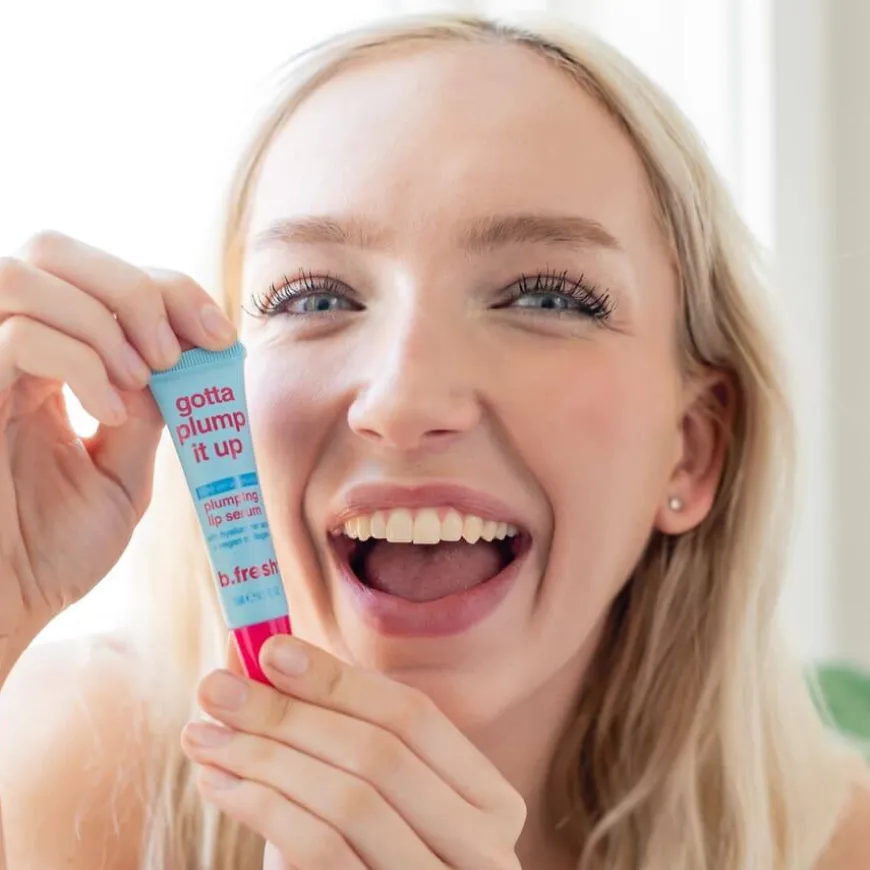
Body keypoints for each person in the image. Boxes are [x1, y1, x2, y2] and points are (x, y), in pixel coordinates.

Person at [0, 11, 868, 870]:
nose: (403, 400)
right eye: (313, 297)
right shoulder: (68, 768)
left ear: (694, 446)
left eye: (547, 297)